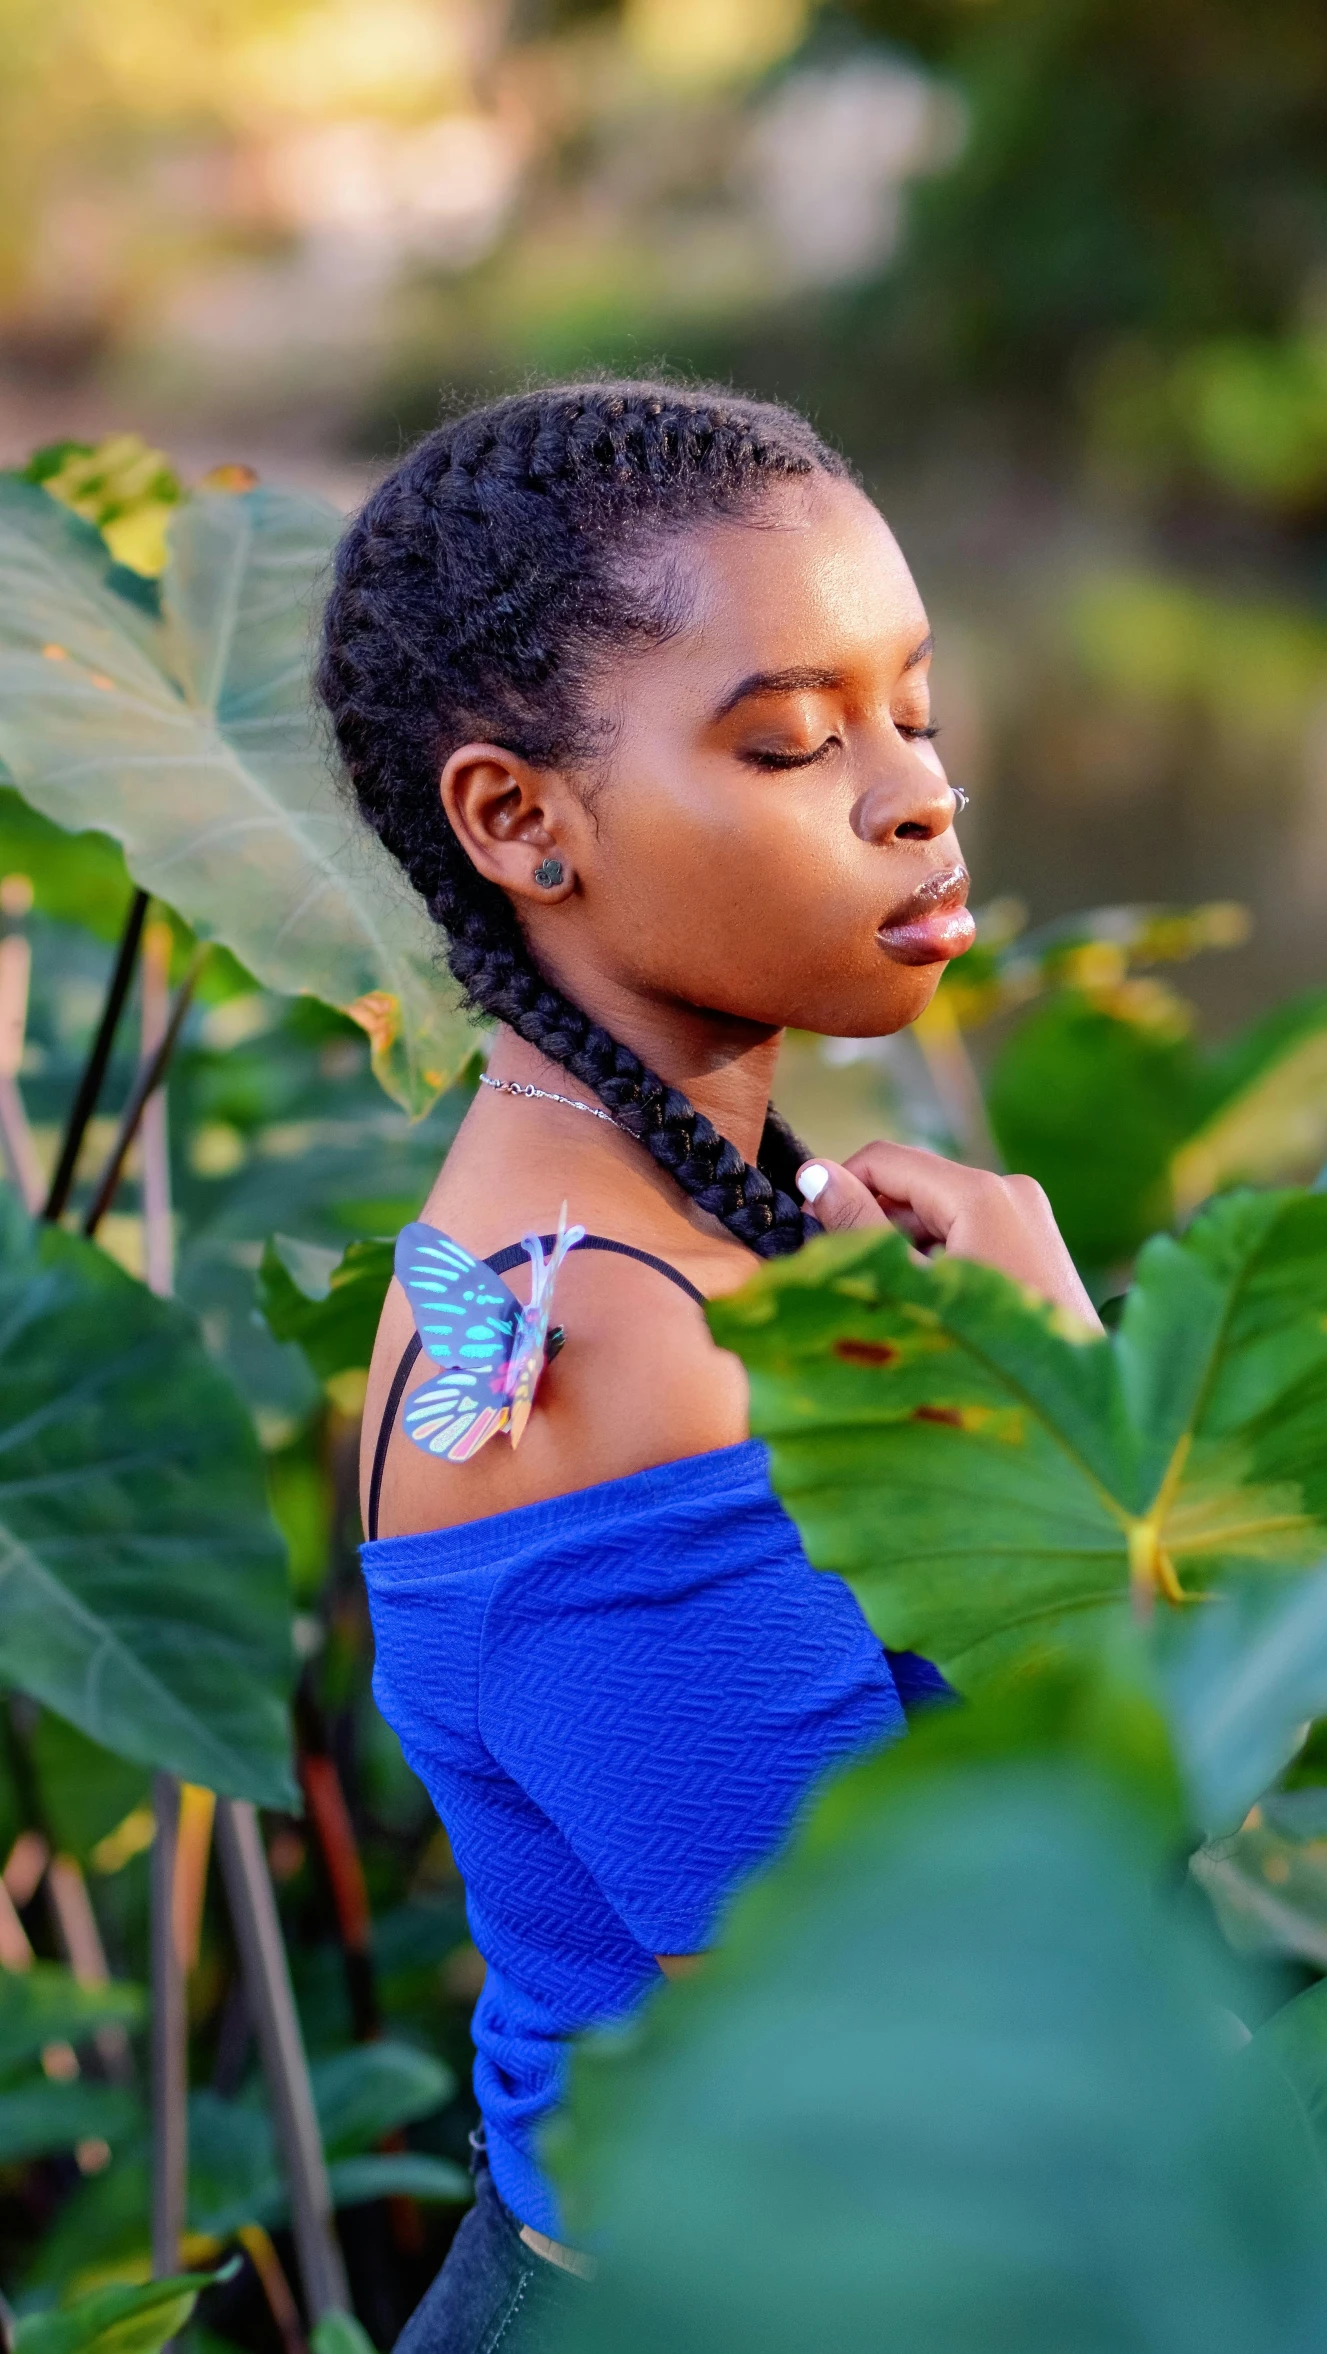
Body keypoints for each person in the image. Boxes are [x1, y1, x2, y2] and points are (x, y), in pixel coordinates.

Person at [318, 379, 1097, 2350]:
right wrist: (1054, 1413)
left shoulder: (707, 1243)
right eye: (786, 742)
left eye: (910, 708)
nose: (914, 795)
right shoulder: (601, 1357)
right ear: (516, 818)